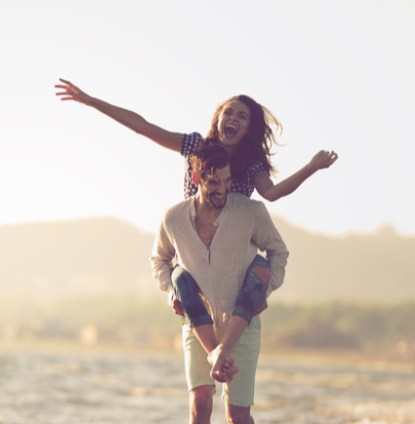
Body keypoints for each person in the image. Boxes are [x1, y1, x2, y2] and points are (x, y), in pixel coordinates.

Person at [55, 79, 333, 381]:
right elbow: (144, 127)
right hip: (195, 251)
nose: (233, 119)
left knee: (259, 271)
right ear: (218, 118)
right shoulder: (196, 146)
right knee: (180, 280)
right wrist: (92, 101)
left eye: (242, 117)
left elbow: (273, 193)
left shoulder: (250, 164)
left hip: (233, 257)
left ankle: (222, 352)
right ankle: (217, 354)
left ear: (248, 129)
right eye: (228, 113)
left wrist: (311, 167)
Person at [150, 142, 289, 424]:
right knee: (199, 402)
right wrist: (171, 293)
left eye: (227, 181)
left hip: (242, 325)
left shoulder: (250, 213)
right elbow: (160, 260)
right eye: (214, 182)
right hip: (198, 326)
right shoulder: (174, 219)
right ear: (197, 178)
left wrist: (266, 288)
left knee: (237, 416)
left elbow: (278, 251)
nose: (222, 189)